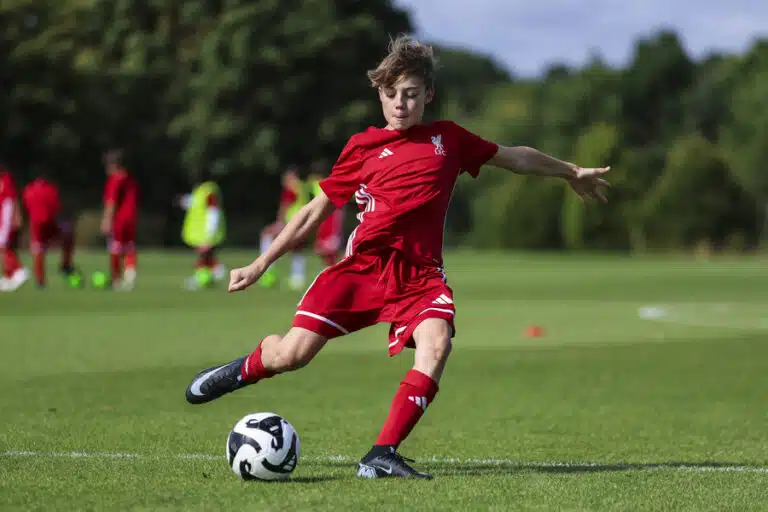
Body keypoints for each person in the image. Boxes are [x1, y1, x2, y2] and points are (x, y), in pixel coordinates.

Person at [184, 36, 610, 479]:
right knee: (291, 355)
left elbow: (516, 157)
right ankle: (240, 371)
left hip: (421, 278)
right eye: (391, 95)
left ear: (428, 94)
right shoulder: (362, 148)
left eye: (410, 94)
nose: (400, 104)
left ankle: (381, 454)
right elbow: (314, 210)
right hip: (362, 271)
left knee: (437, 343)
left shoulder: (450, 139)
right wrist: (261, 263)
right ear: (380, 94)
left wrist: (570, 171)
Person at [22, 175, 79, 288]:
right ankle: (66, 264)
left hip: (36, 224)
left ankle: (40, 281)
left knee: (38, 250)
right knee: (68, 235)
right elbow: (56, 207)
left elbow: (27, 206)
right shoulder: (51, 189)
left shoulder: (28, 190)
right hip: (51, 222)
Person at [258, 166, 310, 290]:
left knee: (267, 235)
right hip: (303, 222)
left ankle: (268, 273)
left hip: (290, 222)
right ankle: (298, 278)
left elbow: (285, 206)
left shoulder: (290, 187)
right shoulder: (303, 187)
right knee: (297, 248)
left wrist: (279, 222)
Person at [177, 174, 227, 290]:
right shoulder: (200, 191)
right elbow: (195, 204)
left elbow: (213, 212)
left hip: (207, 233)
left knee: (203, 256)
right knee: (206, 257)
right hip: (200, 233)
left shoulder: (208, 191)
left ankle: (204, 276)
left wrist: (209, 234)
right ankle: (210, 275)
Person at [100, 149, 139, 291]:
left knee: (115, 248)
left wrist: (106, 220)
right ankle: (130, 275)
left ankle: (116, 279)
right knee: (129, 248)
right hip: (131, 217)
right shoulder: (130, 179)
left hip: (119, 219)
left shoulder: (115, 179)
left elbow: (111, 202)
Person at [308, 166, 344, 268]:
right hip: (324, 225)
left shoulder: (334, 189)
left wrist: (336, 232)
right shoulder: (319, 186)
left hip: (331, 227)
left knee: (331, 255)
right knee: (323, 253)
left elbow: (338, 213)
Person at [0, 166, 28, 291]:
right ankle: (8, 276)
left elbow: (12, 199)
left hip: (6, 216)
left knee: (3, 245)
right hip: (2, 215)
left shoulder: (6, 179)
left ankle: (19, 270)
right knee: (5, 246)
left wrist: (16, 215)